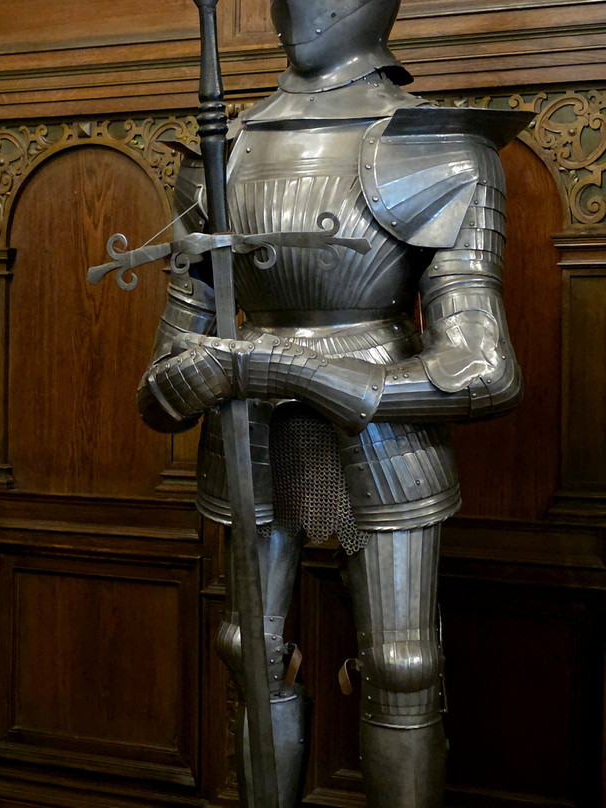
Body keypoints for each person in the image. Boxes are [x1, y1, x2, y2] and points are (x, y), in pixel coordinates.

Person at [136, 1, 529, 805]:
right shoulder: (219, 152)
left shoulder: (443, 148)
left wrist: (298, 368)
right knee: (249, 650)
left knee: (402, 664)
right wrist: (197, 375)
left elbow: (484, 367)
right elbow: (162, 382)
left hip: (384, 427)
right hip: (247, 426)